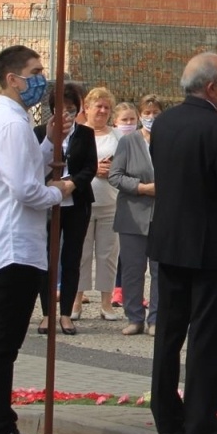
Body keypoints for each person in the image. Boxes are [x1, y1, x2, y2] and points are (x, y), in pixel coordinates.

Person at [149, 52, 217, 434]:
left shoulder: (164, 123)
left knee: (169, 332)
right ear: (212, 87)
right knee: (208, 336)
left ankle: (165, 414)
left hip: (170, 241)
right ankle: (201, 420)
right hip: (211, 246)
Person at [0, 44, 73, 434]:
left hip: (6, 242)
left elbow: (25, 167)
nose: (40, 78)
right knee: (2, 345)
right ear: (13, 79)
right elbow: (26, 189)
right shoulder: (10, 123)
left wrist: (49, 144)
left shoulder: (10, 120)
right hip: (14, 244)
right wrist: (60, 191)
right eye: (34, 72)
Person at [35, 80, 97, 336]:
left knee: (72, 258)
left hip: (76, 203)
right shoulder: (40, 132)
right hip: (48, 203)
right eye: (61, 109)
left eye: (71, 109)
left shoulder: (85, 134)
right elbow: (35, 165)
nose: (66, 114)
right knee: (47, 258)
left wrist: (72, 183)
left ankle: (66, 314)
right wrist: (50, 182)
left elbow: (90, 168)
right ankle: (47, 313)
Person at [110, 101, 158, 337]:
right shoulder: (128, 142)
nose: (151, 117)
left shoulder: (168, 140)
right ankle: (134, 317)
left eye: (156, 112)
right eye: (147, 113)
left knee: (159, 270)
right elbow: (115, 176)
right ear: (140, 116)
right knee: (132, 269)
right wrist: (141, 188)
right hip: (132, 214)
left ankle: (156, 318)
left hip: (162, 215)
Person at [79, 87, 123, 320]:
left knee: (108, 254)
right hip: (83, 202)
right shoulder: (78, 133)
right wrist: (93, 169)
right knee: (81, 253)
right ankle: (76, 300)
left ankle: (106, 303)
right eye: (99, 106)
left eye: (107, 107)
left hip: (110, 202)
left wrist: (112, 170)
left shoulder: (117, 136)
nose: (103, 111)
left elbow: (125, 164)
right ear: (87, 108)